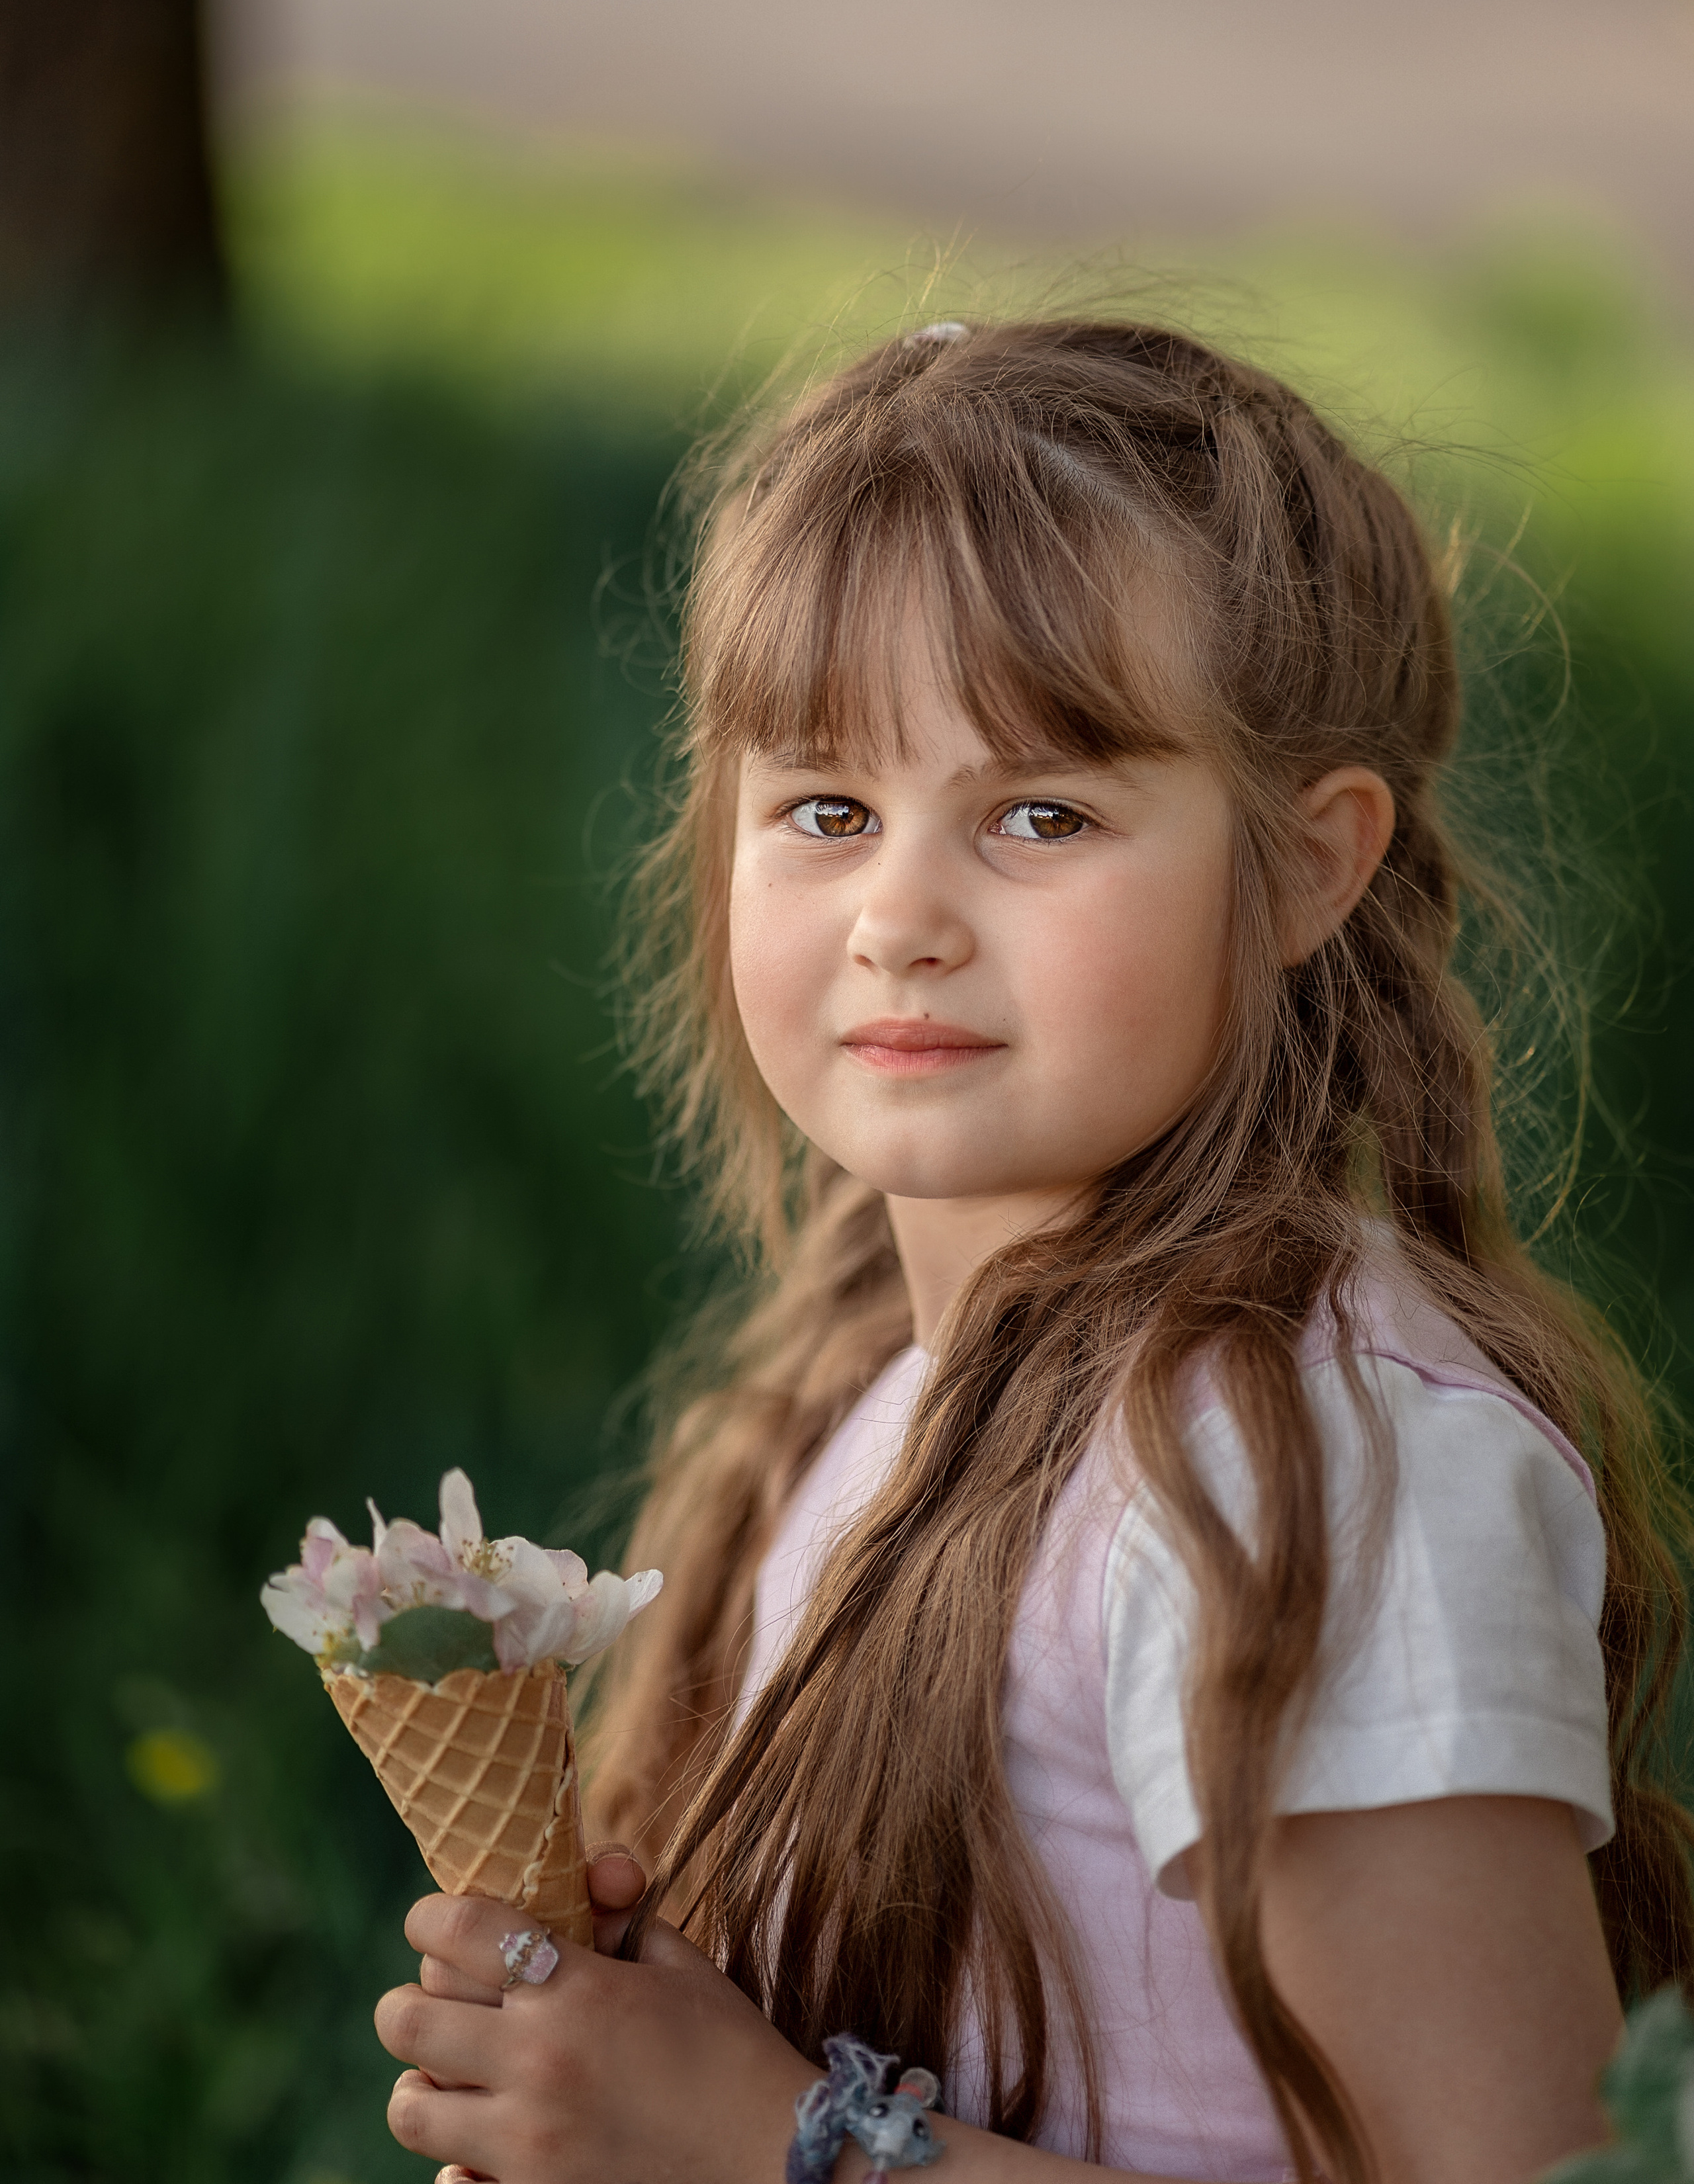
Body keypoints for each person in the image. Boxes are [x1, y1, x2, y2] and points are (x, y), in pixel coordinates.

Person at [372, 318, 1691, 2184]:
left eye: (1040, 814)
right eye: (828, 809)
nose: (899, 913)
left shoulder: (1300, 1469)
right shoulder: (875, 1384)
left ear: (1308, 864)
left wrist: (775, 2142)